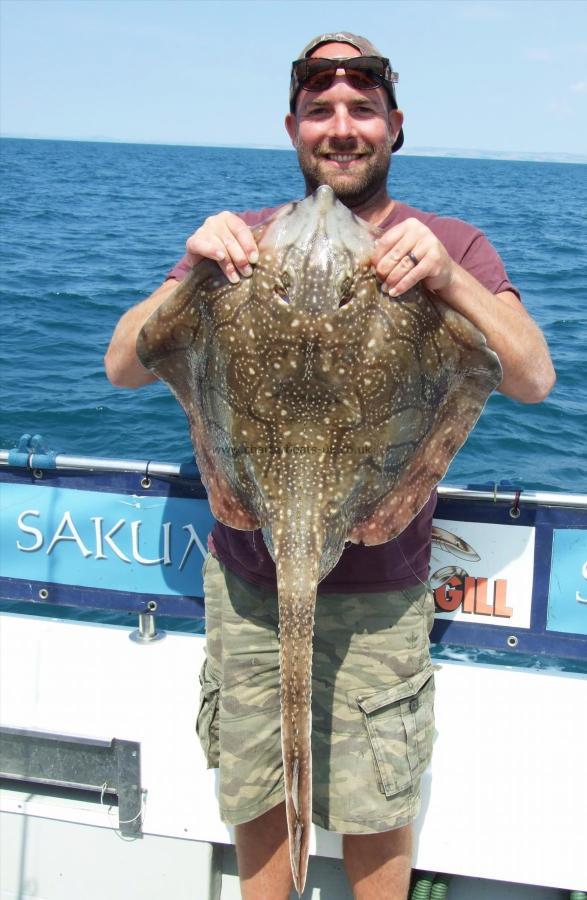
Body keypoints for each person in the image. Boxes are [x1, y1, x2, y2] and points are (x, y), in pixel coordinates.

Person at [105, 32, 555, 900]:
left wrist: (448, 287)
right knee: (256, 787)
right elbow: (124, 364)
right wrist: (193, 276)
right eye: (320, 112)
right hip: (245, 587)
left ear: (393, 126)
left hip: (382, 598)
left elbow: (531, 378)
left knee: (374, 802)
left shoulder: (451, 244)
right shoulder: (241, 242)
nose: (340, 128)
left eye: (360, 111)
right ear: (292, 127)